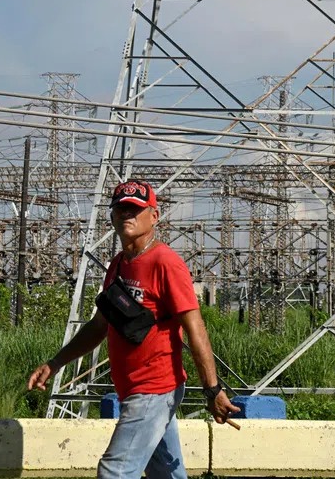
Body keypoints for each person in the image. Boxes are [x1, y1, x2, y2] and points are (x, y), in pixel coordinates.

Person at [29, 179, 239, 479]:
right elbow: (100, 325)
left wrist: (212, 389)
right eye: (121, 209)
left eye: (135, 209)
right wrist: (55, 362)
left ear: (154, 215)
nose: (127, 215)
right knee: (166, 475)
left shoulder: (165, 263)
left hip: (154, 388)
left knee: (114, 471)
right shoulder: (118, 265)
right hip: (132, 389)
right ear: (112, 216)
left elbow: (195, 329)